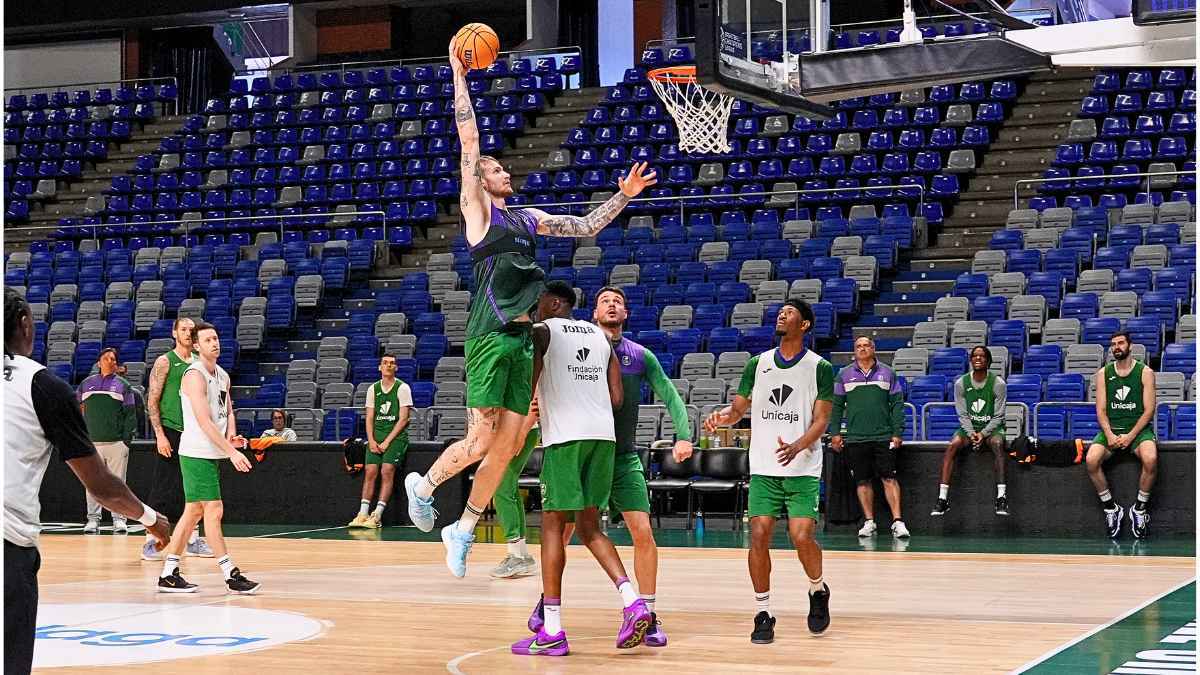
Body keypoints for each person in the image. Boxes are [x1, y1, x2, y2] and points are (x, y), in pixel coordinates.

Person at [404, 39, 656, 578]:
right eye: (496, 171)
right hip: (490, 333)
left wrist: (625, 195)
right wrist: (457, 72)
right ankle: (423, 485)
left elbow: (585, 227)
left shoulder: (528, 218)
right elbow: (467, 135)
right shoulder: (479, 214)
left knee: (512, 441)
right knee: (481, 436)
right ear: (483, 179)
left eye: (500, 171)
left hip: (523, 339)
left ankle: (464, 528)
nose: (504, 174)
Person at [5, 287, 171, 675]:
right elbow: (100, 484)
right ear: (25, 324)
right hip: (7, 548)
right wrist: (150, 518)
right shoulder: (42, 386)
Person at [511, 281, 652, 657]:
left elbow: (529, 384)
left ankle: (552, 629)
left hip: (566, 439)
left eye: (538, 301)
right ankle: (632, 601)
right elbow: (617, 398)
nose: (535, 307)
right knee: (590, 527)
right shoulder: (600, 337)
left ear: (555, 303)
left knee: (553, 527)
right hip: (603, 438)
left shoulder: (543, 331)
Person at [554, 286, 693, 646]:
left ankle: (647, 613)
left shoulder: (640, 355)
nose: (612, 304)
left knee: (643, 533)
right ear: (593, 314)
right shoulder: (577, 350)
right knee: (564, 533)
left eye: (618, 301)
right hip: (584, 452)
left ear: (626, 314)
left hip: (623, 457)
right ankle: (547, 605)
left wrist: (683, 435)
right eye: (604, 300)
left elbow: (670, 394)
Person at [704, 299, 834, 644]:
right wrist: (723, 417)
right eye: (781, 311)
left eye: (790, 312)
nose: (781, 314)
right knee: (759, 534)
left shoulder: (819, 367)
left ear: (804, 324)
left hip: (803, 467)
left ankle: (817, 590)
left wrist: (799, 445)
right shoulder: (757, 364)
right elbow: (738, 409)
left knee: (801, 537)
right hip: (763, 466)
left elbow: (822, 419)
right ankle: (763, 612)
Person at [156, 321, 259, 595]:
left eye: (216, 338)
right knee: (214, 511)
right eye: (208, 340)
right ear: (197, 346)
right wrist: (232, 452)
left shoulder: (223, 376)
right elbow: (203, 420)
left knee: (193, 513)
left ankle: (168, 572)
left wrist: (232, 437)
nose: (214, 343)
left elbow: (228, 413)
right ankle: (230, 573)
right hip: (196, 452)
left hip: (212, 451)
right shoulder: (194, 375)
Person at [828, 336, 909, 539]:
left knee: (889, 478)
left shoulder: (888, 373)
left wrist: (897, 432)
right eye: (858, 346)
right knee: (862, 481)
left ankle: (898, 522)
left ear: (874, 349)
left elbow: (897, 405)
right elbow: (836, 406)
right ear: (854, 351)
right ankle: (869, 522)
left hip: (883, 436)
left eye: (866, 345)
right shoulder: (843, 375)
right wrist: (835, 433)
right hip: (856, 437)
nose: (862, 349)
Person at [145, 316, 212, 560]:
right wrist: (160, 435)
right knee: (163, 486)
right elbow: (152, 399)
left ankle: (192, 540)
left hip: (194, 431)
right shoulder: (165, 362)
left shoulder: (199, 363)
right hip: (171, 430)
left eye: (190, 330)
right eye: (182, 329)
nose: (187, 333)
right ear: (174, 333)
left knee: (192, 487)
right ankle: (152, 540)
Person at [1086, 330, 1157, 539]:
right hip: (1112, 430)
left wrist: (1130, 436)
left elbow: (1149, 410)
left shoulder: (1145, 372)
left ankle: (1139, 509)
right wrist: (1108, 434)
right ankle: (1111, 508)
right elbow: (1100, 410)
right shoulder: (1103, 373)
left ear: (1130, 346)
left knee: (1151, 459)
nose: (1116, 347)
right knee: (1091, 460)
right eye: (1113, 344)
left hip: (1139, 430)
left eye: (1120, 343)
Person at [931, 346, 1009, 518]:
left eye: (982, 356)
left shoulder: (998, 383)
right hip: (969, 429)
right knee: (953, 445)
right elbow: (962, 413)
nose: (978, 358)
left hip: (992, 428)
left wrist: (983, 434)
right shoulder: (961, 383)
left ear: (988, 361)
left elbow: (999, 416)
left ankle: (1001, 497)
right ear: (971, 360)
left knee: (997, 444)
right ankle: (942, 499)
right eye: (975, 356)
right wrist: (972, 432)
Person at [348, 354, 413, 529]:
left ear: (396, 368)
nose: (388, 366)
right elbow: (369, 417)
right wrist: (371, 440)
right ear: (380, 367)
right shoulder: (372, 389)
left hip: (395, 437)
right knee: (370, 471)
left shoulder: (402, 388)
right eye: (385, 363)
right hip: (375, 436)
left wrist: (386, 442)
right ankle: (362, 513)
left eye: (392, 363)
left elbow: (404, 419)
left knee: (387, 470)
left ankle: (377, 515)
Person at [78, 347, 138, 534]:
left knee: (118, 483)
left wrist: (125, 440)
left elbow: (130, 415)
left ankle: (119, 519)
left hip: (116, 444)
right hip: (92, 444)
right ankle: (93, 520)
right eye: (106, 358)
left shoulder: (123, 385)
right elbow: (78, 410)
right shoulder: (86, 384)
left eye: (113, 359)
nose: (111, 361)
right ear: (98, 363)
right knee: (92, 484)